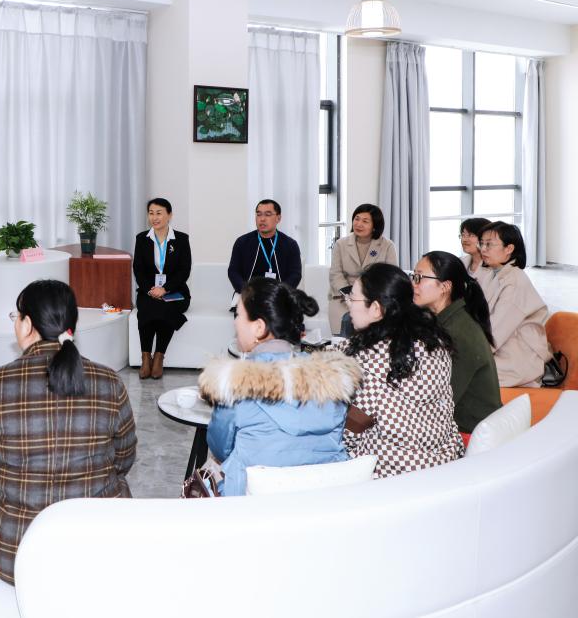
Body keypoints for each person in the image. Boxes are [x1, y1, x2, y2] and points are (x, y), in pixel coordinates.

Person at [0, 279, 136, 584]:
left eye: (16, 317)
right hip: (98, 548)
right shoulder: (110, 382)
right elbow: (123, 461)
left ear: (27, 324)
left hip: (11, 550)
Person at [199, 278, 358, 496]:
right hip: (320, 500)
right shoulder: (332, 379)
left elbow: (220, 447)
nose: (235, 323)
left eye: (238, 315)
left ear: (259, 327)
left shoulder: (236, 384)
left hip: (250, 503)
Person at [339, 263, 464, 477]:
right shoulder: (435, 344)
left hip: (390, 474)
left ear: (376, 309)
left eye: (352, 298)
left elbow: (350, 433)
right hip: (443, 464)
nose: (348, 304)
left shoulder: (367, 362)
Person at [412, 251, 501, 435]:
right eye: (413, 276)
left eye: (419, 278)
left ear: (445, 287)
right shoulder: (448, 318)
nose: (413, 284)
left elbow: (438, 402)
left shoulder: (455, 334)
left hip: (468, 432)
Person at [478, 222, 551, 388]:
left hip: (516, 361)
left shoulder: (515, 283)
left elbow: (494, 335)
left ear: (509, 249)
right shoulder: (492, 274)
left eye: (489, 244)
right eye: (481, 244)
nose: (483, 249)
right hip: (503, 348)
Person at [132, 198, 192, 379]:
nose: (154, 217)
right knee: (148, 307)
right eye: (151, 213)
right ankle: (145, 357)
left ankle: (158, 357)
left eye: (159, 213)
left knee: (163, 307)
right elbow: (138, 269)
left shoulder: (181, 239)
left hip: (175, 291)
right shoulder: (142, 239)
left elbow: (184, 271)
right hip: (148, 291)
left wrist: (165, 289)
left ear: (169, 215)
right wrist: (150, 289)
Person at [328, 203, 398, 337]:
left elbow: (391, 276)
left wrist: (367, 297)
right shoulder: (341, 244)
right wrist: (351, 295)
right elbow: (335, 274)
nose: (359, 224)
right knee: (344, 333)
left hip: (376, 299)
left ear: (375, 226)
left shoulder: (387, 246)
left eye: (365, 221)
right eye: (357, 219)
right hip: (344, 298)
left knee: (373, 337)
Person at [227, 199, 302, 295]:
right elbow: (233, 271)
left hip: (279, 295)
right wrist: (245, 290)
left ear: (278, 218)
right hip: (247, 294)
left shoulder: (290, 244)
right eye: (259, 214)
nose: (262, 219)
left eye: (268, 214)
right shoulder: (242, 242)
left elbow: (295, 274)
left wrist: (279, 293)